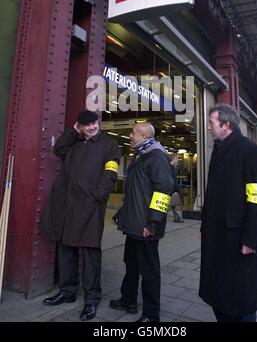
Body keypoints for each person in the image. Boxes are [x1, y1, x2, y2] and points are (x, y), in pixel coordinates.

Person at [39, 110, 121, 321]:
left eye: (94, 123)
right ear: (80, 127)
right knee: (66, 248)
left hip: (90, 206)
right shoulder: (74, 142)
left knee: (90, 252)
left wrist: (97, 196)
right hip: (67, 205)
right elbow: (59, 149)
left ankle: (92, 299)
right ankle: (67, 292)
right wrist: (74, 131)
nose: (93, 127)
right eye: (87, 125)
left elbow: (110, 173)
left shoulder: (109, 145)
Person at [199, 103, 257, 322]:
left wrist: (252, 239)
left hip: (238, 238)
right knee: (219, 294)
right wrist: (204, 226)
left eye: (211, 122)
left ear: (225, 125)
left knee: (241, 297)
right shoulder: (217, 152)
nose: (208, 127)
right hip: (217, 236)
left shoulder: (250, 151)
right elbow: (211, 196)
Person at [109, 123, 174, 322]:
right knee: (131, 264)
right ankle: (128, 300)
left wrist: (153, 223)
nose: (130, 135)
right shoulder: (141, 155)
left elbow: (164, 191)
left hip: (146, 226)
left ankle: (151, 314)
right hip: (134, 224)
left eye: (133, 133)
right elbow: (137, 191)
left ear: (144, 135)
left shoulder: (156, 157)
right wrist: (123, 212)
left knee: (149, 272)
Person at [169, 154, 184, 223]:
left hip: (171, 188)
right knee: (173, 203)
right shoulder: (170, 168)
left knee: (174, 203)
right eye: (177, 159)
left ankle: (176, 217)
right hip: (171, 188)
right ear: (174, 159)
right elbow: (173, 179)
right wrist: (176, 188)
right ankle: (176, 217)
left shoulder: (170, 167)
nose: (177, 161)